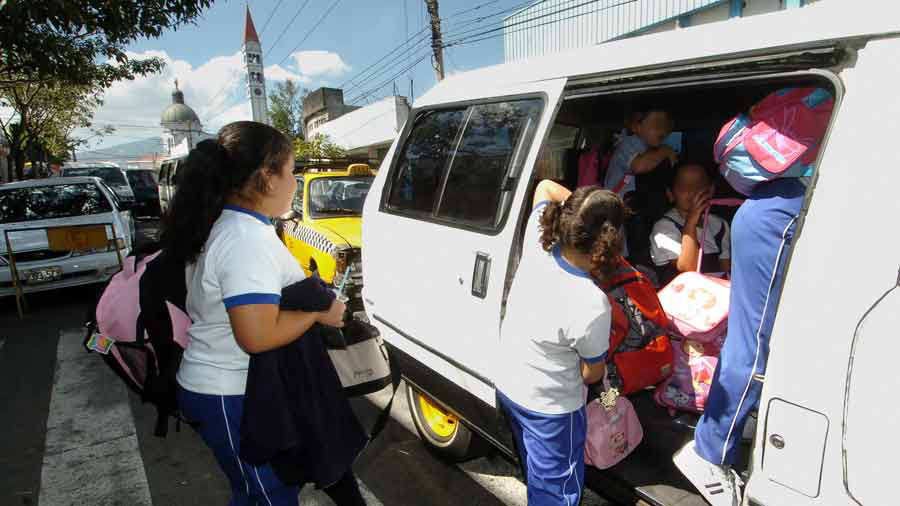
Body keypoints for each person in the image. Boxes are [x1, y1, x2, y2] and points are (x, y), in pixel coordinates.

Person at [161, 122, 365, 506]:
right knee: (269, 495)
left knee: (259, 491)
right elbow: (255, 335)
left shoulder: (234, 225)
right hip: (228, 392)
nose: (295, 180)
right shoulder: (244, 239)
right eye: (290, 171)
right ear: (266, 177)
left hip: (235, 387)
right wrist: (319, 315)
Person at [673, 177, 806, 506]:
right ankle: (710, 452)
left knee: (753, 339)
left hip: (769, 217)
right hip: (775, 224)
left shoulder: (738, 217)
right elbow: (683, 268)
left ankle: (733, 420)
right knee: (752, 345)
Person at [496, 180, 624, 505]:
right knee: (558, 493)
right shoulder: (592, 302)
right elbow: (591, 375)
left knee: (537, 474)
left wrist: (581, 210)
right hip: (551, 411)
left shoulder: (538, 245)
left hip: (512, 386)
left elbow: (544, 187)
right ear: (607, 245)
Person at [650, 163, 731, 286]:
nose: (692, 190)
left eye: (699, 185)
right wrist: (691, 220)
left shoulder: (719, 225)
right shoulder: (663, 228)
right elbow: (688, 268)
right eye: (683, 186)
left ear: (710, 190)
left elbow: (726, 270)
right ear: (670, 194)